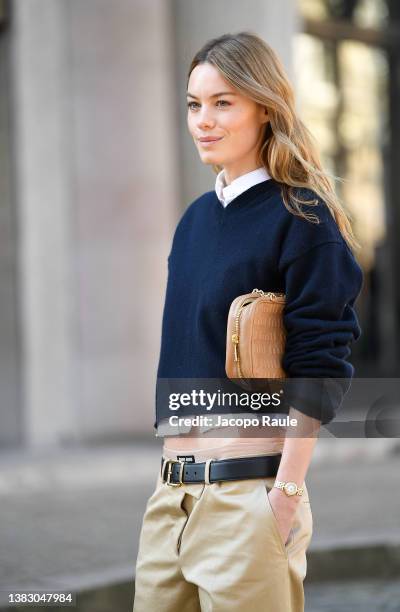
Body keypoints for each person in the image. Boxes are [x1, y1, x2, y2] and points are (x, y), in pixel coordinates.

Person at [133, 31, 363, 612]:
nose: (203, 121)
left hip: (249, 498)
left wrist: (284, 493)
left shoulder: (303, 217)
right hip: (171, 499)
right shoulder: (193, 223)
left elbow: (321, 363)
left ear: (264, 107)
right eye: (194, 104)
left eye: (223, 102)